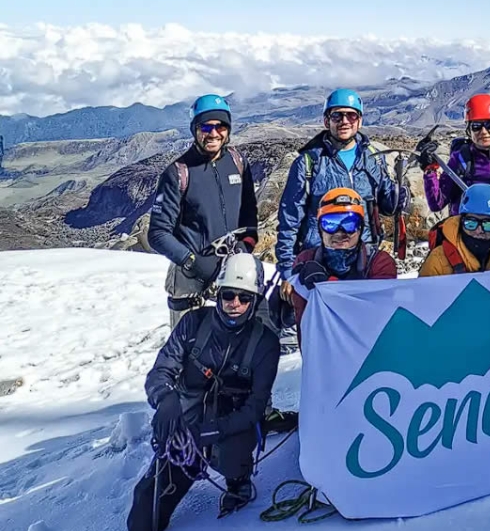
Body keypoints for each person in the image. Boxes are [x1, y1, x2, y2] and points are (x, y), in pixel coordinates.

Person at [126, 254, 280, 531]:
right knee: (142, 525)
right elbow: (160, 373)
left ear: (255, 300)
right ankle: (187, 463)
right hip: (186, 426)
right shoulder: (193, 324)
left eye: (244, 298)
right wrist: (165, 400)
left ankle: (238, 479)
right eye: (228, 295)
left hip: (230, 424)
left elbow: (255, 407)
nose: (235, 304)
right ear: (217, 294)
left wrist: (211, 431)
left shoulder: (266, 344)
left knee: (235, 452)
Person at [149, 94, 259, 330]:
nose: (213, 133)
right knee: (189, 350)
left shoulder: (239, 162)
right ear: (194, 129)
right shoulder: (177, 173)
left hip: (232, 269)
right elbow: (158, 234)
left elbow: (249, 212)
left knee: (234, 347)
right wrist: (193, 262)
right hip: (191, 279)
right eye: (205, 126)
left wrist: (246, 245)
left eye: (220, 126)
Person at [275, 88, 407, 276]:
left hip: (362, 260)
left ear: (359, 120)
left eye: (351, 116)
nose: (344, 121)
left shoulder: (372, 159)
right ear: (326, 120)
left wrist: (397, 196)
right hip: (318, 262)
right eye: (337, 115)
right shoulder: (309, 163)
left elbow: (386, 206)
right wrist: (288, 270)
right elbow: (289, 221)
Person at [416, 94, 490, 260]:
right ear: (468, 129)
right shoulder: (459, 159)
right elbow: (437, 203)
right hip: (462, 249)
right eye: (476, 126)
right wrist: (429, 171)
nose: (484, 131)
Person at [285, 187, 398, 351]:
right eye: (330, 223)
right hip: (321, 360)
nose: (340, 232)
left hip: (369, 359)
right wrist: (286, 302)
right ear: (320, 229)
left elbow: (377, 312)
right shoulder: (305, 260)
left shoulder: (379, 263)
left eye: (349, 223)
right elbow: (302, 316)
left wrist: (328, 285)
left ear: (360, 228)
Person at [419, 183, 490, 276]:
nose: (479, 230)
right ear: (461, 222)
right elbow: (424, 294)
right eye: (471, 223)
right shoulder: (438, 260)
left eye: (488, 225)